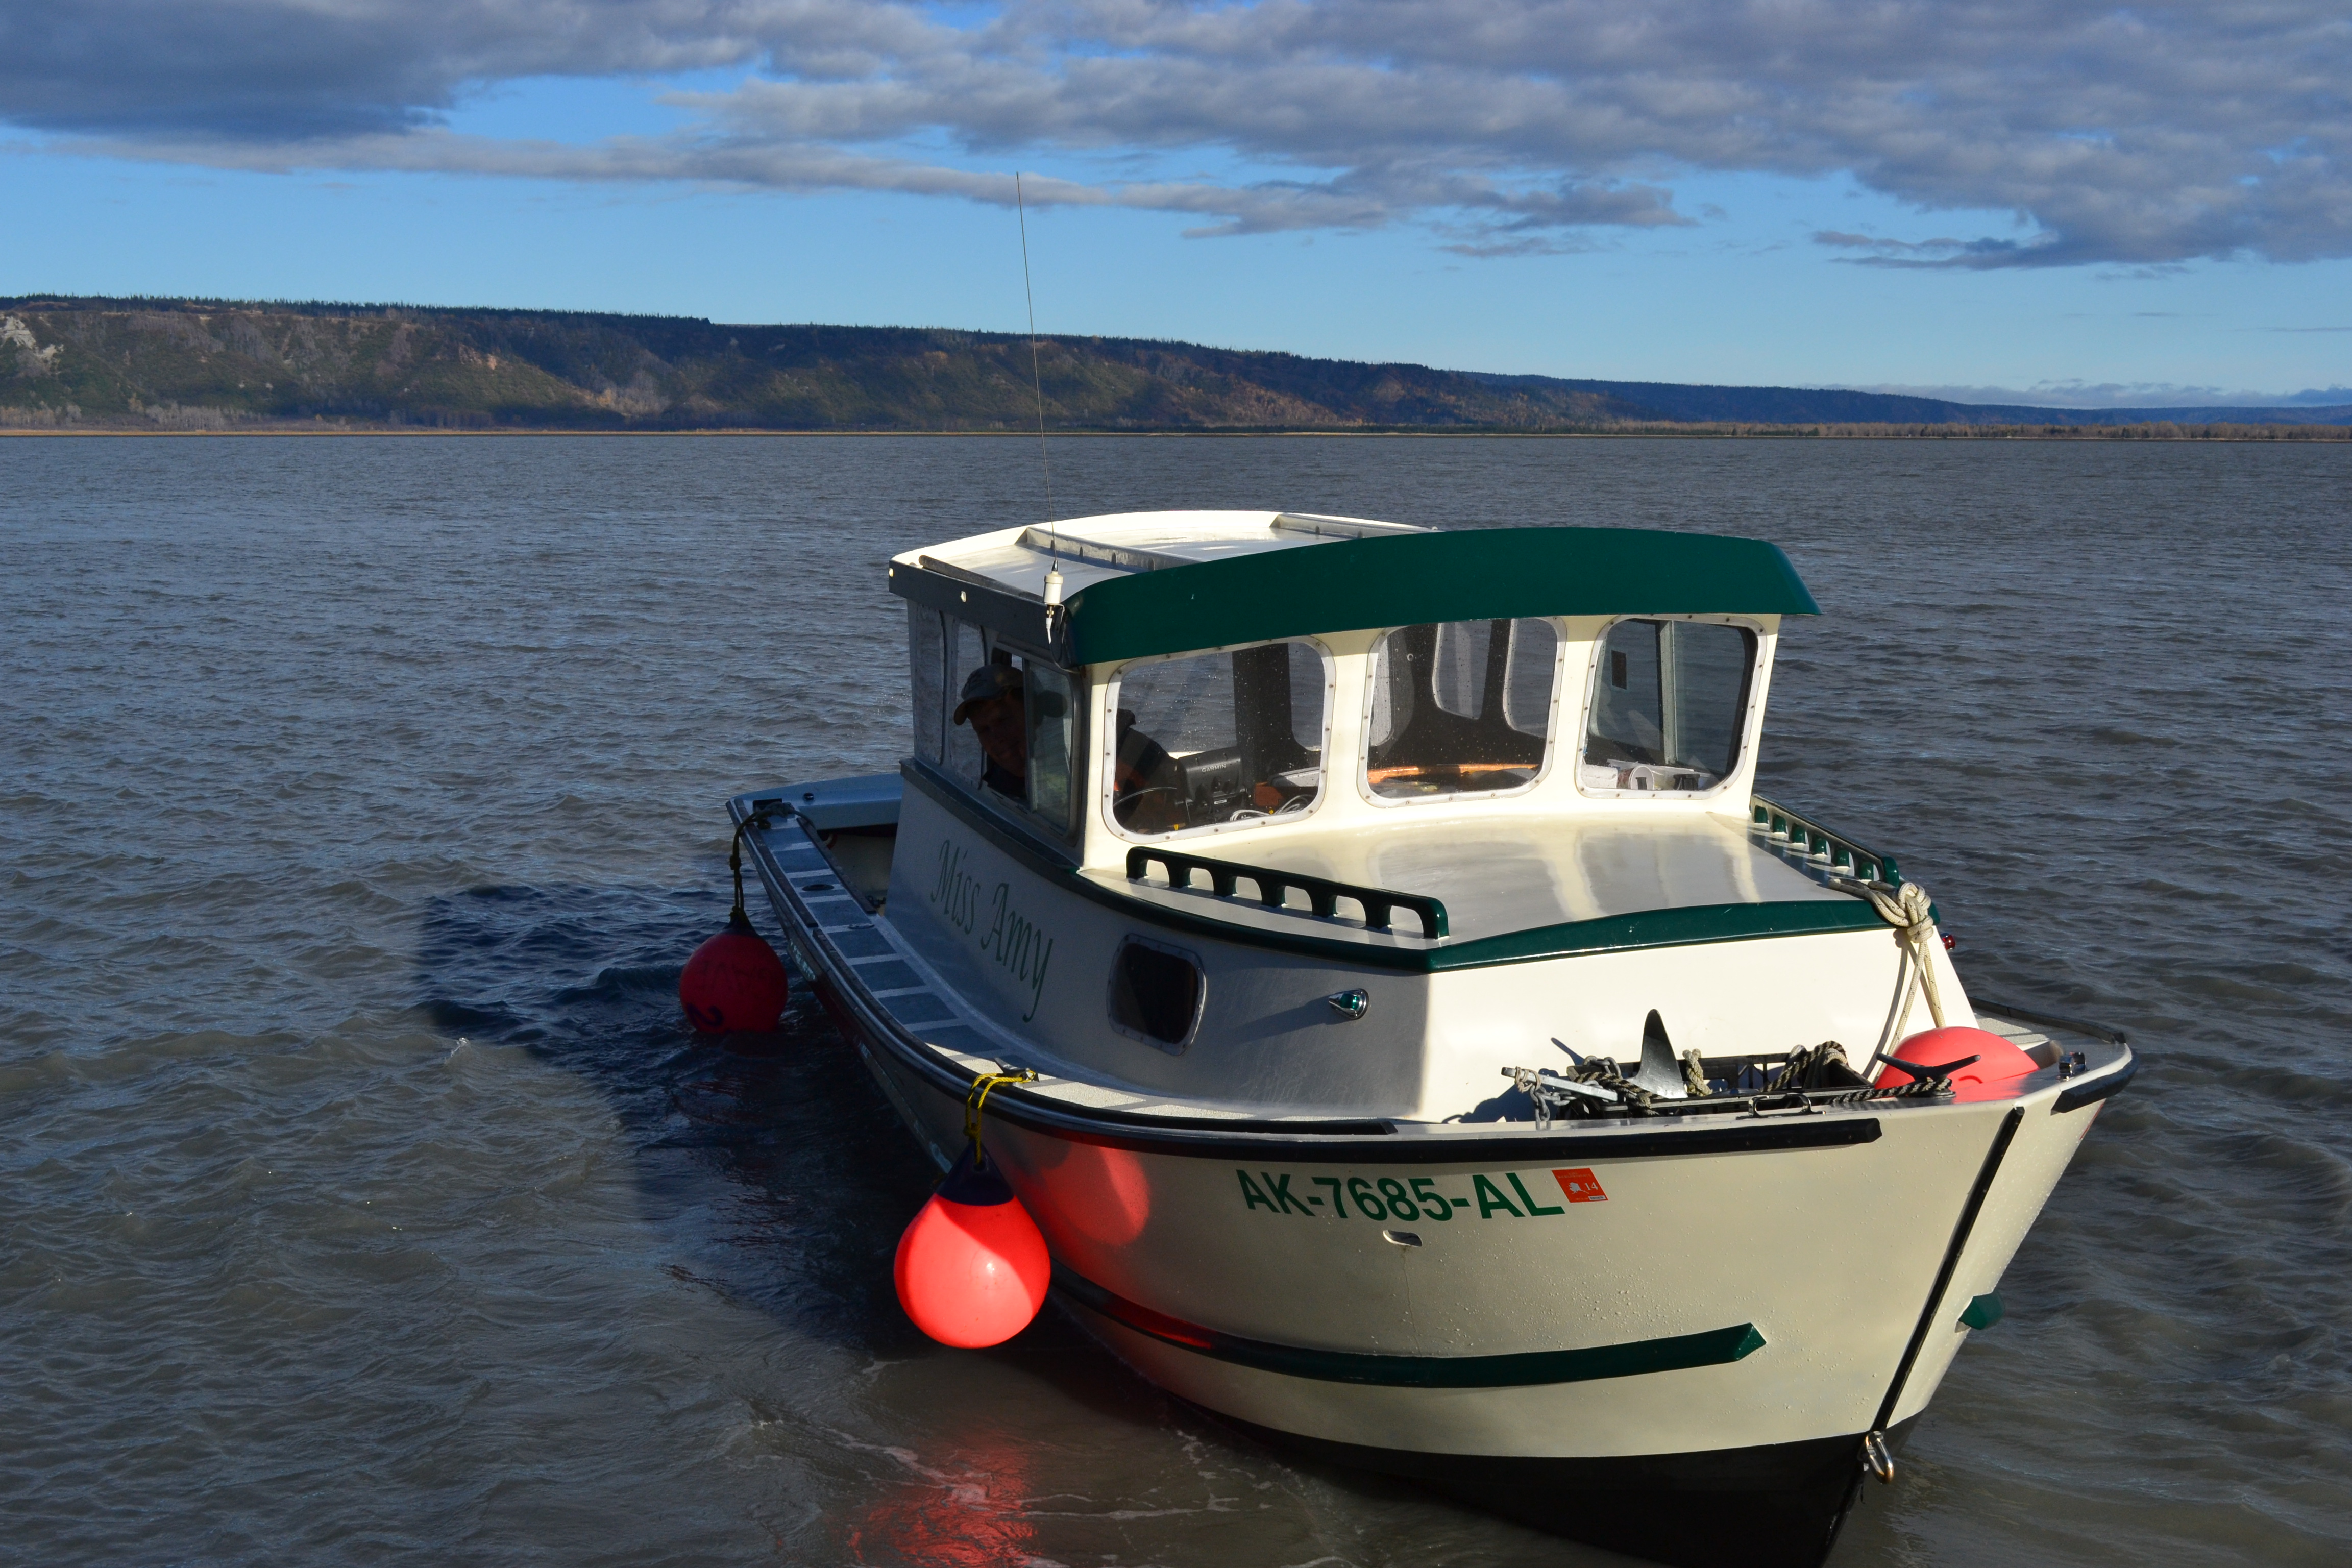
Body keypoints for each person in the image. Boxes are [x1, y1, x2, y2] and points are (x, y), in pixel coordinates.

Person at [952, 664, 1028, 800]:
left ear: (1034, 712)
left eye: (1002, 721)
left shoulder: (1075, 776)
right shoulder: (993, 794)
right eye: (983, 730)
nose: (996, 737)